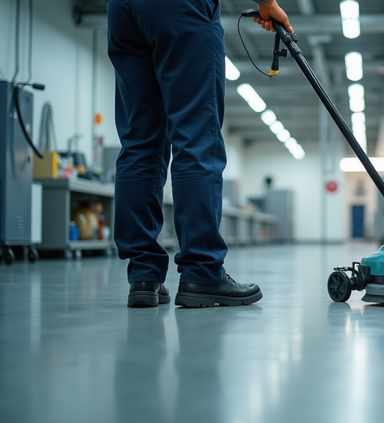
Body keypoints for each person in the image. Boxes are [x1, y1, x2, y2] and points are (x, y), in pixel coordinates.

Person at [107, 0, 292, 308]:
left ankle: (143, 275)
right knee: (196, 139)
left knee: (139, 144)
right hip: (179, 9)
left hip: (122, 9)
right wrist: (267, 4)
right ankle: (202, 272)